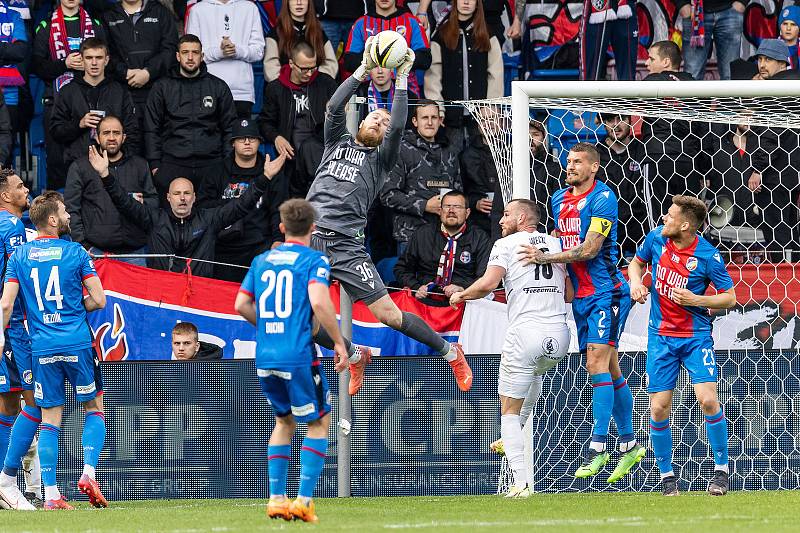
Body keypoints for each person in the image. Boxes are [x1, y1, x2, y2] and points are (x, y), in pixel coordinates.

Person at [307, 40, 474, 394]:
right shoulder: (336, 142)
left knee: (390, 316)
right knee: (300, 321)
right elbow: (335, 106)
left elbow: (398, 126)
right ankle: (354, 357)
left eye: (383, 122)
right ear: (362, 120)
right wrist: (361, 71)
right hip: (310, 238)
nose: (379, 122)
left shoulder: (382, 160)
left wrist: (401, 79)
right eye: (374, 117)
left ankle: (450, 352)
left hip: (347, 245)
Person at [519, 143, 644, 482]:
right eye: (568, 160)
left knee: (595, 365)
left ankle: (599, 446)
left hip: (607, 293)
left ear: (593, 168)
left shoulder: (603, 199)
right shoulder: (558, 199)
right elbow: (562, 241)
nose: (570, 166)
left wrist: (545, 259)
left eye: (578, 162)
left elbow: (590, 249)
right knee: (611, 369)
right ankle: (631, 443)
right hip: (582, 298)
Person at [234, 198, 348, 523]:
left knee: (283, 421)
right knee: (318, 421)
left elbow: (241, 304)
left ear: (282, 228)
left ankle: (275, 499)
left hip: (265, 354)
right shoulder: (315, 260)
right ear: (313, 228)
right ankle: (304, 500)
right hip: (297, 355)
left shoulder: (261, 261)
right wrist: (338, 342)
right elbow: (319, 301)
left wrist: (270, 328)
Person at [450, 199, 572, 497]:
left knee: (507, 409)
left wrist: (462, 294)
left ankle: (520, 482)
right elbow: (568, 294)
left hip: (525, 333)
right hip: (559, 337)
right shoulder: (556, 245)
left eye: (505, 215)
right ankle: (513, 436)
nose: (500, 220)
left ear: (521, 217)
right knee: (533, 378)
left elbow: (488, 284)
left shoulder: (505, 245)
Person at [0, 191, 108, 510]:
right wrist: (74, 310)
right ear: (52, 220)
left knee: (49, 418)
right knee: (94, 408)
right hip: (76, 341)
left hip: (41, 346)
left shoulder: (18, 257)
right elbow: (99, 300)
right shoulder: (75, 252)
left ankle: (51, 494)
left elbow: (6, 303)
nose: (69, 216)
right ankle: (88, 473)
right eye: (64, 212)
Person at [628, 195, 736, 496]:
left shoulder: (707, 255)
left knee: (708, 400)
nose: (664, 218)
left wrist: (697, 300)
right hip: (660, 337)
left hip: (695, 337)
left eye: (670, 215)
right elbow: (635, 264)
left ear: (686, 225)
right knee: (659, 407)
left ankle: (721, 471)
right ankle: (667, 475)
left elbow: (729, 297)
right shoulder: (655, 239)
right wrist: (635, 283)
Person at [88, 144, 286, 278]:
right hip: (163, 290)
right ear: (168, 197)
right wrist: (105, 175)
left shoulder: (209, 219)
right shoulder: (154, 219)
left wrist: (265, 177)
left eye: (186, 193)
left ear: (194, 197)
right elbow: (124, 202)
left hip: (201, 292)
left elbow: (241, 204)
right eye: (177, 193)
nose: (182, 198)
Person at [144, 34, 237, 204]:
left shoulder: (218, 86)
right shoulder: (162, 87)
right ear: (178, 56)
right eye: (185, 52)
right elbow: (151, 128)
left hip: (212, 163)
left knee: (212, 218)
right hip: (173, 163)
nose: (190, 57)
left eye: (195, 52)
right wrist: (156, 165)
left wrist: (227, 163)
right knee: (173, 218)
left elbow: (230, 128)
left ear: (202, 56)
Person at [198, 119, 286, 282]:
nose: (247, 142)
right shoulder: (216, 171)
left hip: (259, 246)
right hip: (223, 247)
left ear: (259, 142)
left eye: (252, 138)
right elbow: (203, 208)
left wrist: (278, 240)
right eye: (241, 139)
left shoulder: (272, 173)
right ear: (233, 143)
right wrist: (233, 205)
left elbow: (278, 210)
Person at [32, 0, 107, 190]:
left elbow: (108, 60)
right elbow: (37, 67)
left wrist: (88, 65)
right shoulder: (46, 26)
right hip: (56, 102)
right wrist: (64, 64)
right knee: (57, 162)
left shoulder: (95, 24)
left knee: (93, 160)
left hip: (90, 100)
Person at [64, 114, 157, 265]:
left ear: (124, 137)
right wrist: (82, 245)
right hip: (96, 253)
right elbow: (71, 209)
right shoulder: (80, 167)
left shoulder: (140, 165)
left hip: (136, 253)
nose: (112, 137)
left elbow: (152, 206)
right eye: (106, 133)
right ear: (97, 137)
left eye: (117, 133)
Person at [0, 168, 39, 510]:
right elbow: (17, 275)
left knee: (8, 405)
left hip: (6, 326)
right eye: (20, 186)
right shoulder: (12, 227)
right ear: (4, 195)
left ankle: (3, 483)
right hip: (13, 328)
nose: (26, 190)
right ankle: (8, 482)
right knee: (36, 404)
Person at [50, 38, 139, 180]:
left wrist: (123, 160)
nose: (94, 63)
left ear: (107, 60)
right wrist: (79, 124)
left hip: (114, 165)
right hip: (78, 165)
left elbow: (132, 130)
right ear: (82, 60)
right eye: (89, 57)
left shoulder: (120, 91)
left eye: (99, 58)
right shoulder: (68, 91)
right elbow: (56, 131)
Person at [258, 41, 337, 199]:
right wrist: (276, 137)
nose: (309, 73)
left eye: (313, 67)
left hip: (320, 157)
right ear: (291, 63)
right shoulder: (276, 88)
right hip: (289, 160)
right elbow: (265, 122)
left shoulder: (326, 83)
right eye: (304, 68)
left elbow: (342, 119)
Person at [380, 99, 462, 246]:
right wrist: (424, 205)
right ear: (415, 121)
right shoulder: (401, 149)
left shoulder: (450, 151)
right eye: (425, 118)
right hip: (410, 236)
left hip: (446, 235)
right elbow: (387, 195)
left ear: (440, 120)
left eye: (434, 118)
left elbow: (459, 192)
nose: (430, 122)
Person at [426, 0, 503, 149]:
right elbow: (433, 76)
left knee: (480, 166)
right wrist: (438, 108)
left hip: (481, 120)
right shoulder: (441, 35)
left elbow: (496, 74)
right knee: (451, 167)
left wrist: (491, 108)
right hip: (449, 119)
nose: (466, 2)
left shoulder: (488, 34)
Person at [642, 40, 700, 225]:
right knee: (688, 222)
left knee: (658, 222)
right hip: (688, 160)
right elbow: (703, 128)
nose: (646, 63)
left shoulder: (651, 81)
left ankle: (660, 255)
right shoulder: (695, 85)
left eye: (651, 58)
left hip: (658, 158)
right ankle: (687, 255)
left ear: (666, 62)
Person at [103, 0, 179, 137]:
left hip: (158, 90)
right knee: (129, 139)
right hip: (123, 91)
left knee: (157, 138)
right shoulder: (108, 16)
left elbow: (171, 49)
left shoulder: (161, 12)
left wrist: (148, 72)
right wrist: (124, 72)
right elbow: (105, 52)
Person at [394, 190, 491, 298]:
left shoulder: (480, 238)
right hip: (425, 299)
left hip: (464, 301)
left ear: (467, 213)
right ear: (440, 211)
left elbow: (486, 277)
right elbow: (401, 269)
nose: (451, 210)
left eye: (457, 207)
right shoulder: (422, 234)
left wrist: (463, 288)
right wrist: (416, 287)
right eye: (447, 206)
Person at [185, 0, 265, 118]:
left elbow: (259, 52)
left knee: (239, 136)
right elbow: (192, 54)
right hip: (208, 90)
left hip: (241, 93)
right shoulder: (197, 9)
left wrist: (236, 51)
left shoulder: (250, 8)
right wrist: (219, 52)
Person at [343, 0, 431, 97]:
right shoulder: (361, 23)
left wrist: (394, 58)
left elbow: (425, 59)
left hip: (406, 88)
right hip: (367, 91)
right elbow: (349, 62)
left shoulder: (412, 21)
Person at [595, 113, 647, 258]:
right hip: (608, 228)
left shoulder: (642, 150)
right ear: (603, 123)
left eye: (621, 119)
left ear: (630, 121)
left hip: (640, 226)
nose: (616, 124)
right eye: (610, 120)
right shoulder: (595, 154)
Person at [263, 0, 338, 82]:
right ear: (287, 3)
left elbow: (330, 64)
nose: (299, 2)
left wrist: (318, 84)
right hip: (285, 90)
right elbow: (271, 69)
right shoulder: (275, 33)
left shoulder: (318, 32)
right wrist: (287, 86)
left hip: (316, 90)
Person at [677, 0, 744, 80]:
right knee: (692, 74)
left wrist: (742, 2)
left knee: (730, 74)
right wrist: (681, 4)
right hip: (695, 10)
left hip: (730, 10)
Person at [0, 0, 31, 167]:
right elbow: (12, 50)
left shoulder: (13, 15)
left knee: (6, 149)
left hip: (9, 95)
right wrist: (5, 49)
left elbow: (19, 52)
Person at [580, 0, 638, 81]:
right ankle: (588, 92)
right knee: (591, 72)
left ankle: (628, 92)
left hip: (625, 5)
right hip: (597, 7)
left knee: (628, 73)